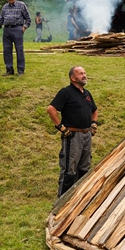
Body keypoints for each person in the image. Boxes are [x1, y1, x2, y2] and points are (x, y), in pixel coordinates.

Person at [47, 66, 98, 197]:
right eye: (81, 74)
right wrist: (61, 127)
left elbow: (94, 110)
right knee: (70, 169)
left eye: (84, 73)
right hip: (73, 136)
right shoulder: (66, 92)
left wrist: (94, 124)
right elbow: (51, 109)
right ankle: (62, 200)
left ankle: (79, 198)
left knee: (84, 168)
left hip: (87, 135)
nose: (84, 75)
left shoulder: (87, 94)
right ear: (73, 78)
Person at [0, 0, 31, 76]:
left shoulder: (21, 5)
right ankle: (9, 69)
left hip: (17, 29)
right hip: (6, 30)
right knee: (7, 50)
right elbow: (1, 19)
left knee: (19, 50)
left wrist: (24, 27)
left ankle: (20, 70)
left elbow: (28, 18)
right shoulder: (4, 7)